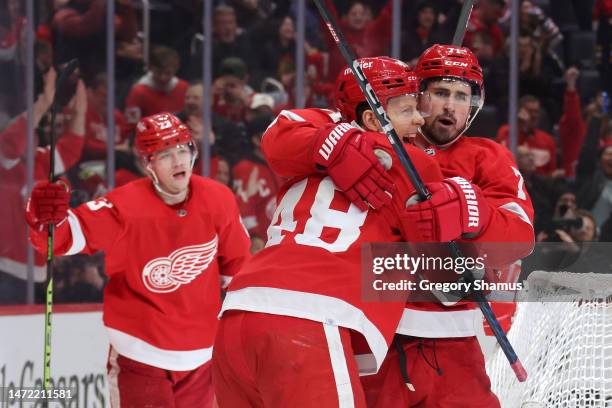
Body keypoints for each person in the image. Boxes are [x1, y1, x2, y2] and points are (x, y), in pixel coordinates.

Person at [212, 57, 461, 407]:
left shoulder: (309, 155)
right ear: (374, 119)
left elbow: (281, 132)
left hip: (236, 315)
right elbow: (444, 278)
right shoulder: (414, 164)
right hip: (309, 320)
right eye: (407, 110)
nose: (419, 119)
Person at [25, 112, 250, 407]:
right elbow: (68, 236)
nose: (179, 160)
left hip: (202, 358)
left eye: (183, 149)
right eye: (166, 154)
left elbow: (238, 270)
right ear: (148, 163)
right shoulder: (124, 207)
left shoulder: (218, 199)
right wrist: (46, 221)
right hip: (140, 356)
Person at [361, 44, 535, 408]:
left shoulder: (487, 157)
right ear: (418, 95)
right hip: (372, 334)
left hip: (449, 340)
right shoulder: (378, 141)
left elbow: (520, 237)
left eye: (461, 96)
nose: (449, 106)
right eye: (440, 92)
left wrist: (474, 212)